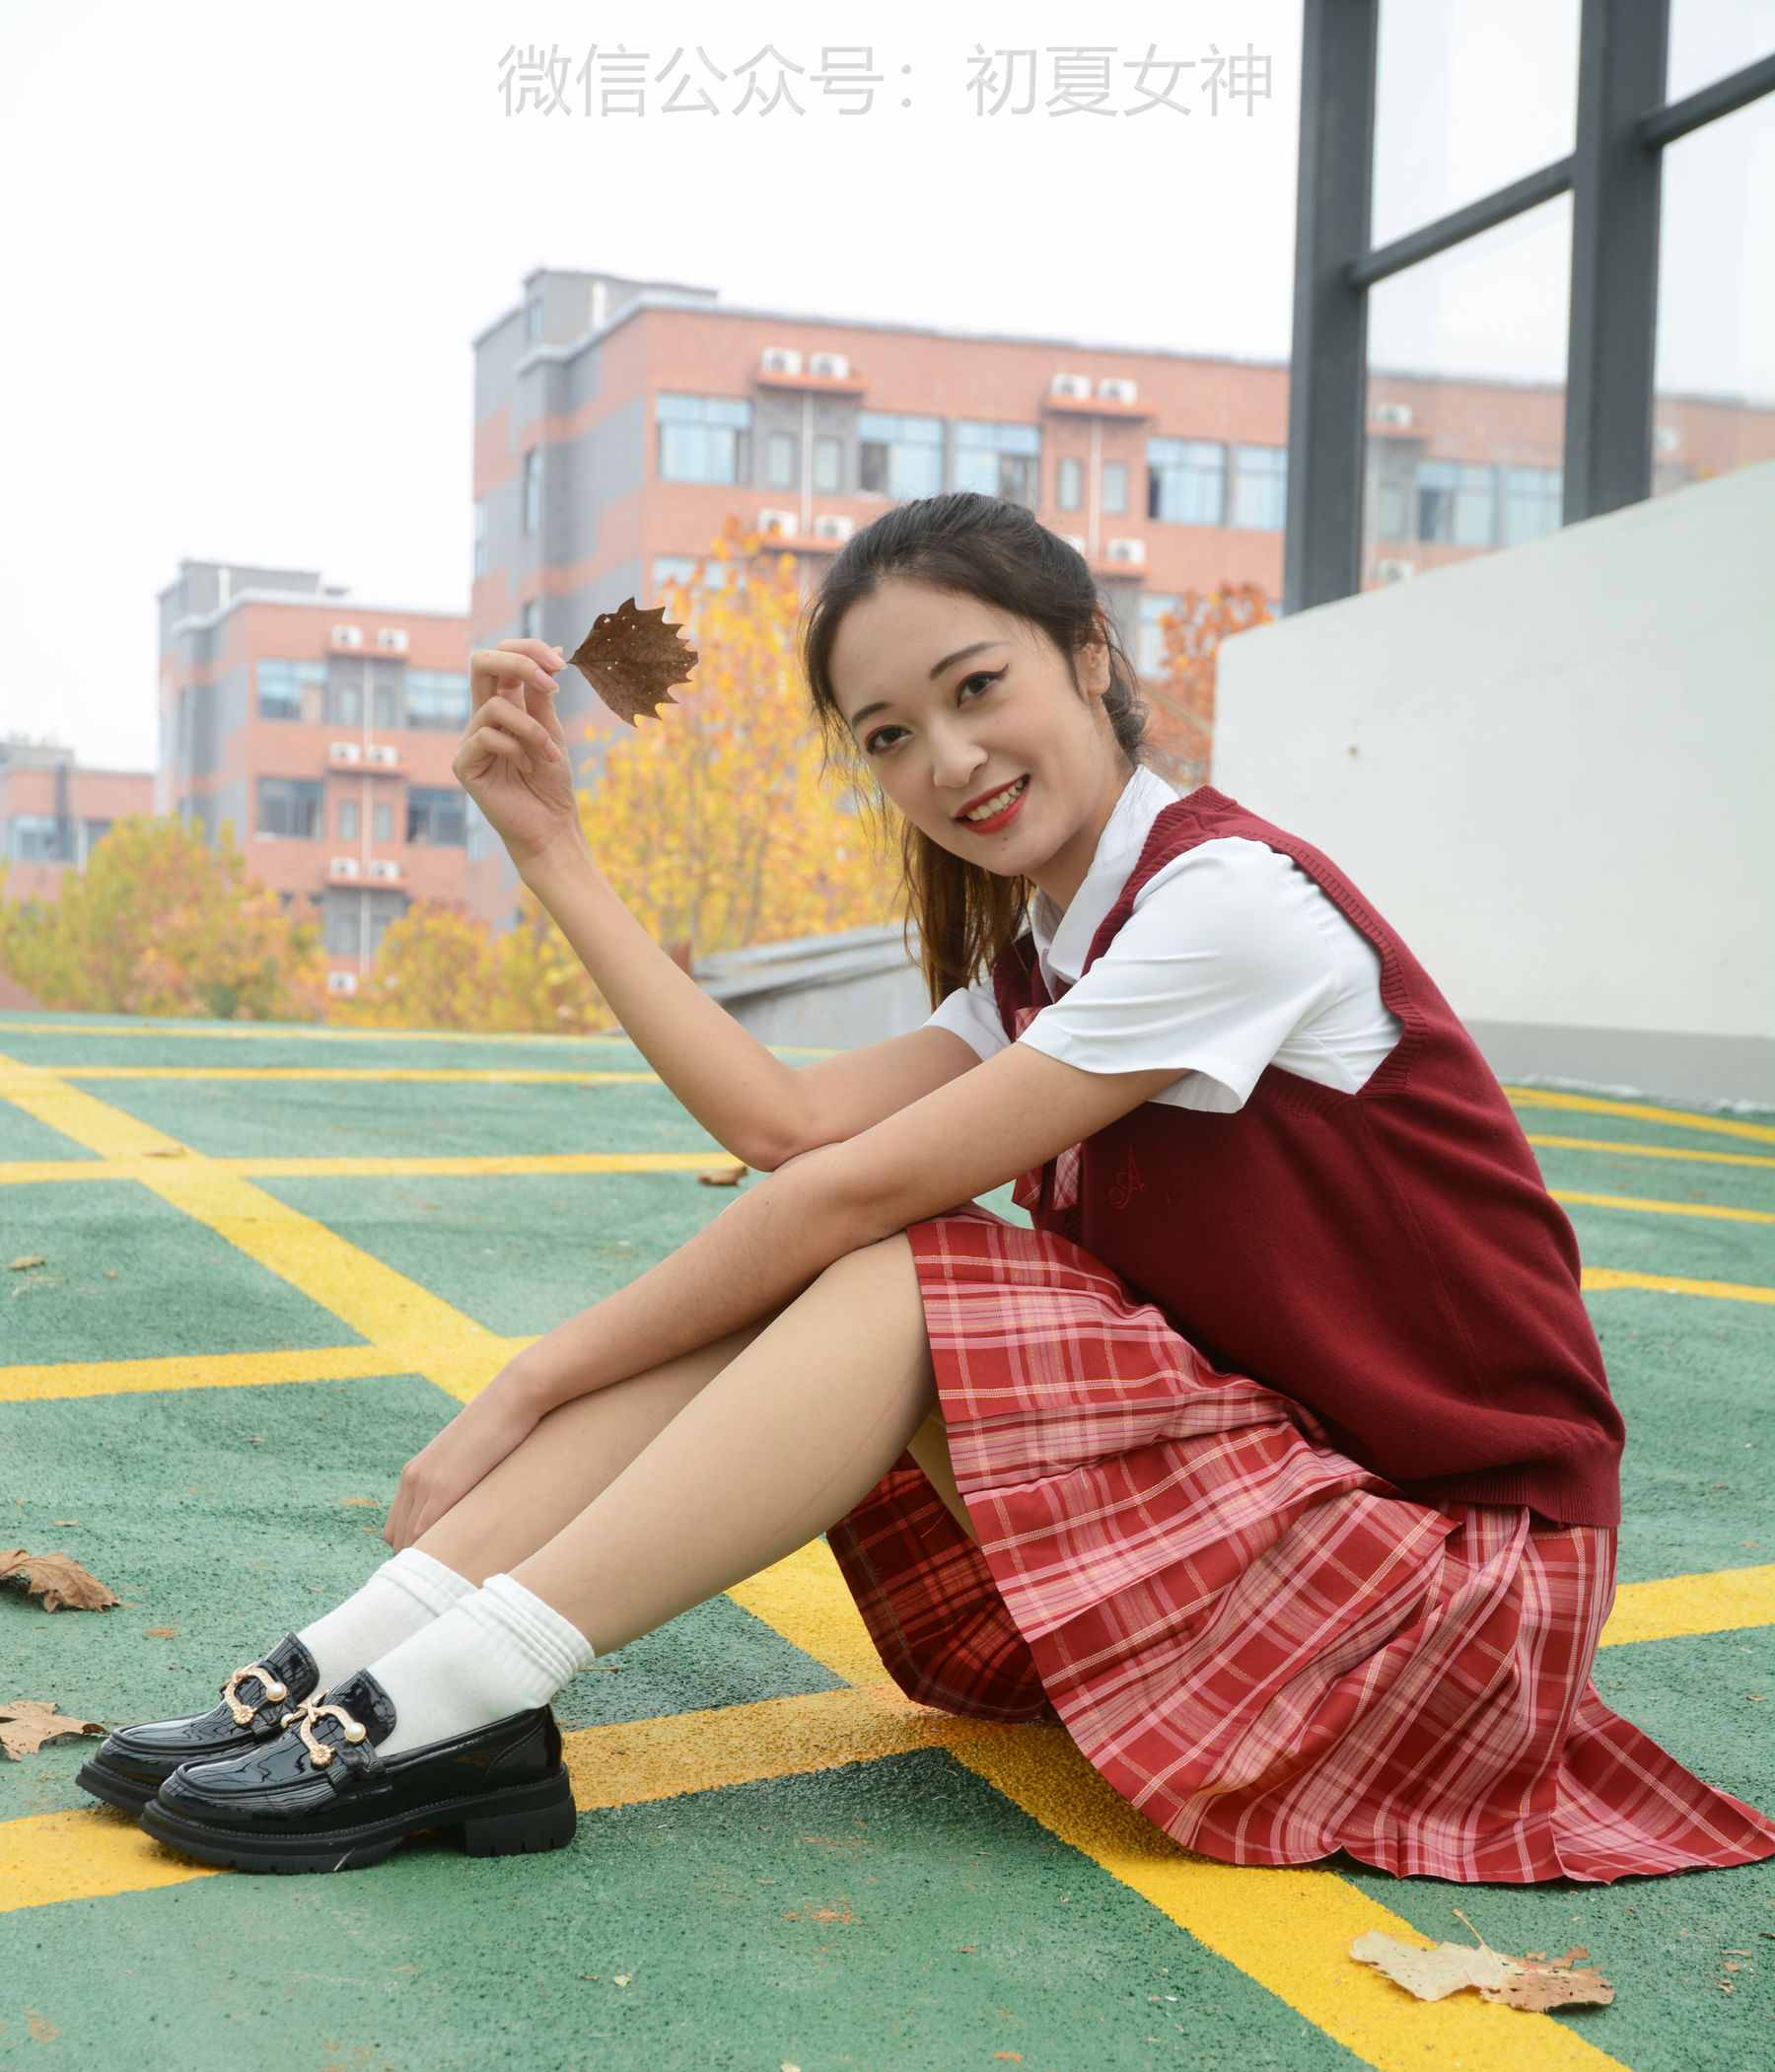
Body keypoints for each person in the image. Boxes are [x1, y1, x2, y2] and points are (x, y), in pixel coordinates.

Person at [83, 495, 1774, 1888]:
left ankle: (463, 1698)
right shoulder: (1048, 964)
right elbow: (784, 1125)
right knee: (851, 1252)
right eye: (893, 736)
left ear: (1090, 654)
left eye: (979, 689)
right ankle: (367, 1667)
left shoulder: (1228, 913)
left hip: (1455, 1597)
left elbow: (838, 1203)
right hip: (1297, 1532)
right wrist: (553, 852)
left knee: (906, 1260)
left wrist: (531, 1380)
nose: (949, 760)